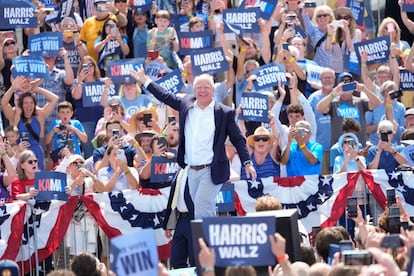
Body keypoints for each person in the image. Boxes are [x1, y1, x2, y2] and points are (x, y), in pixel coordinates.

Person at [130, 68, 257, 219]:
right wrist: (145, 81)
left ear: (213, 90)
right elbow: (165, 96)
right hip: (191, 170)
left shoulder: (224, 112)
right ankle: (210, 240)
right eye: (199, 88)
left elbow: (238, 139)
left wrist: (247, 162)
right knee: (200, 210)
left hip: (212, 169)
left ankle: (205, 242)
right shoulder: (185, 103)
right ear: (194, 90)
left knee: (202, 209)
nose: (202, 91)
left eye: (207, 87)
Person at [1, 77, 59, 171]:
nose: (29, 105)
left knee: (37, 182)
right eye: (26, 103)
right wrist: (13, 88)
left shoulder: (39, 114)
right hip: (20, 152)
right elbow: (3, 103)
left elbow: (54, 99)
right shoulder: (15, 115)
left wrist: (37, 89)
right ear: (21, 105)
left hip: (36, 153)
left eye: (31, 103)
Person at [316, 72, 381, 147]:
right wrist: (333, 94)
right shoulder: (334, 103)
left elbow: (377, 103)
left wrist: (365, 89)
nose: (347, 84)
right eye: (344, 82)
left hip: (359, 145)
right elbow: (319, 108)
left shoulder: (360, 102)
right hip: (339, 146)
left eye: (350, 82)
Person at [308, 68, 335, 174]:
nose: (327, 80)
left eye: (330, 77)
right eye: (325, 77)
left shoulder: (340, 96)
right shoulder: (313, 98)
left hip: (338, 148)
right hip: (320, 147)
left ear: (334, 79)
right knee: (322, 180)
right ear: (320, 79)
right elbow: (308, 121)